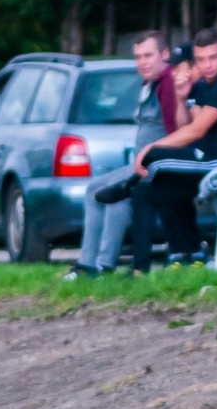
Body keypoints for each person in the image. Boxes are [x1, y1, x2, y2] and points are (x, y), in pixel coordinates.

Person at [125, 28, 217, 272]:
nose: (207, 65)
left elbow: (196, 131)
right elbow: (184, 127)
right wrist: (181, 98)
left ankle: (122, 187)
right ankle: (148, 266)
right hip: (211, 159)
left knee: (157, 159)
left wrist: (149, 148)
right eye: (201, 60)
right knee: (150, 187)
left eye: (212, 58)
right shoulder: (206, 86)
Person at [60, 31, 181, 280]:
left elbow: (176, 131)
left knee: (111, 194)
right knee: (96, 188)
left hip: (155, 164)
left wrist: (151, 154)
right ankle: (90, 263)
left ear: (164, 54)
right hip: (141, 162)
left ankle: (100, 265)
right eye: (138, 57)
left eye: (149, 55)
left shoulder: (168, 83)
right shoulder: (151, 84)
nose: (143, 62)